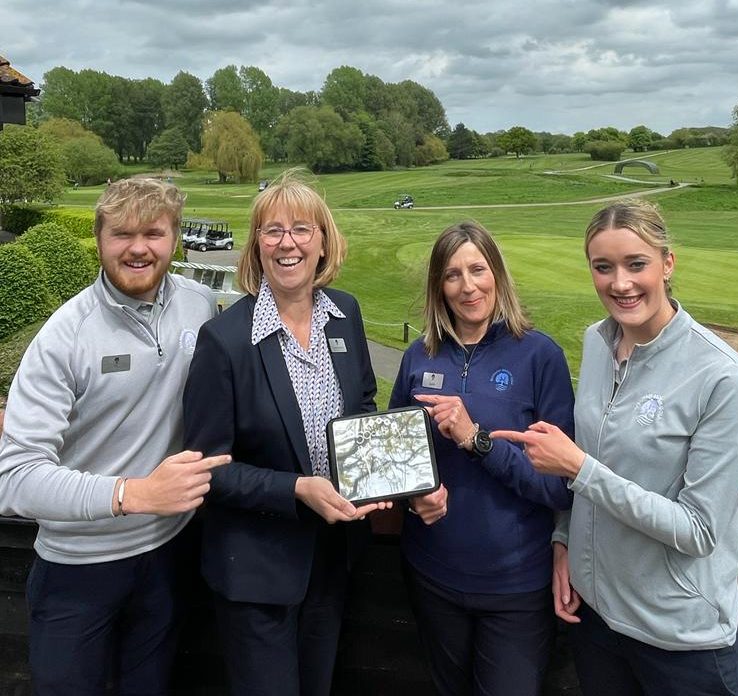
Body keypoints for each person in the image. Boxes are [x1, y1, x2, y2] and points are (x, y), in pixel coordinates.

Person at [494, 200, 738, 696]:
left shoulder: (723, 379)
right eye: (603, 267)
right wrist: (564, 538)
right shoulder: (597, 341)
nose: (620, 283)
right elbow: (596, 456)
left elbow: (700, 531)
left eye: (636, 264)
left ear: (668, 263)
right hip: (598, 621)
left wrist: (580, 469)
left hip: (683, 642)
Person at [0, 177, 231, 695]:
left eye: (154, 232)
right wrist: (133, 493)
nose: (138, 248)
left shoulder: (199, 303)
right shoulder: (65, 336)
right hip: (76, 571)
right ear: (100, 240)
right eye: (122, 234)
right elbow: (13, 479)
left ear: (175, 239)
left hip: (168, 555)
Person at [182, 169, 391, 696]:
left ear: (323, 241)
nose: (287, 242)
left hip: (332, 555)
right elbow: (209, 467)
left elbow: (362, 404)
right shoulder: (224, 341)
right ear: (256, 246)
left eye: (301, 228)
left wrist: (379, 473)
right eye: (271, 231)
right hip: (256, 568)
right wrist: (297, 489)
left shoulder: (345, 315)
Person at [389, 220, 575, 696]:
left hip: (516, 586)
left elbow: (558, 486)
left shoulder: (540, 356)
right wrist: (414, 498)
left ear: (497, 273)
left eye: (478, 269)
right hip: (433, 576)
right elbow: (393, 461)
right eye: (452, 275)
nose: (468, 286)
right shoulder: (419, 356)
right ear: (439, 286)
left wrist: (477, 439)